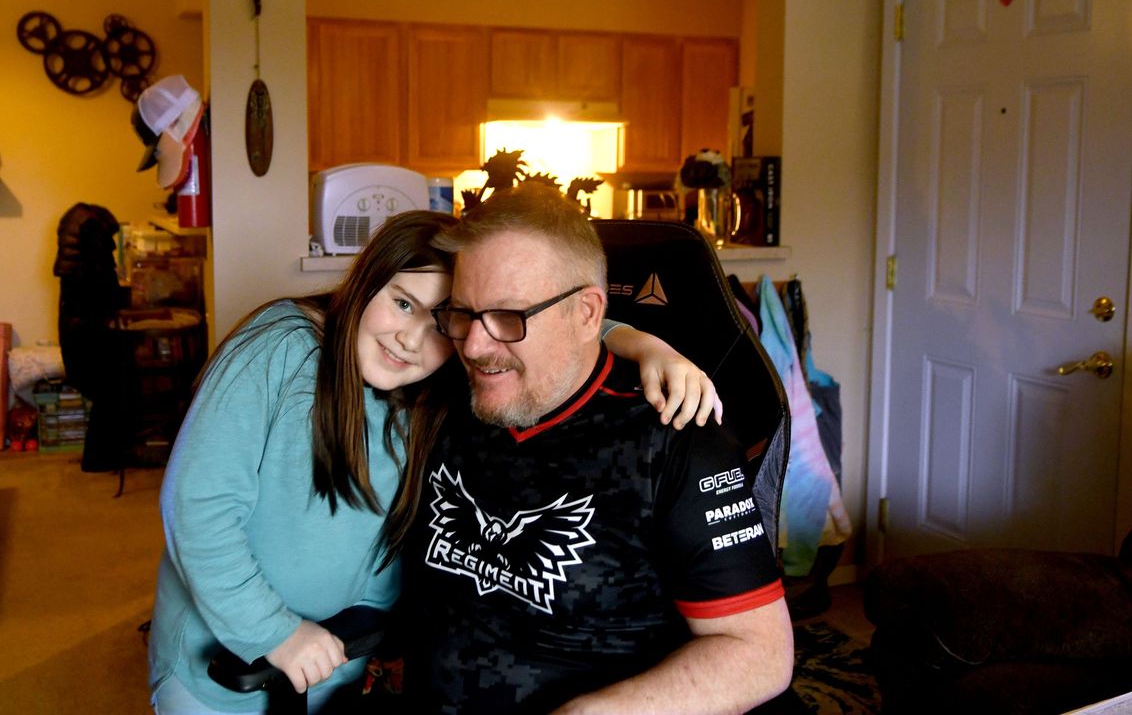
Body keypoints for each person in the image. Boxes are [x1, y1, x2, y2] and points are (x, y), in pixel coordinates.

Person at [148, 209, 720, 714]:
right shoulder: (281, 346)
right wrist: (274, 633)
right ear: (367, 280)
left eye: (441, 321)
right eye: (401, 303)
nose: (410, 340)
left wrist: (645, 344)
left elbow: (551, 331)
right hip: (223, 667)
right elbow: (196, 505)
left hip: (336, 664)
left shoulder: (442, 384)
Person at [400, 186, 794, 714]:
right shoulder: (443, 396)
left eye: (508, 318)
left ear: (588, 314)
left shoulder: (673, 436)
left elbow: (760, 654)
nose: (473, 345)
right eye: (463, 313)